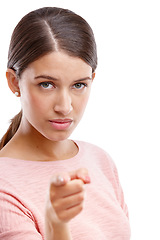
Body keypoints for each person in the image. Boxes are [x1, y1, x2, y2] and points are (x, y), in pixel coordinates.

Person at [0, 7, 131, 240]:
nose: (65, 106)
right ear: (14, 82)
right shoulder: (4, 185)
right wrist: (56, 226)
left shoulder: (100, 160)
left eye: (78, 85)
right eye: (47, 84)